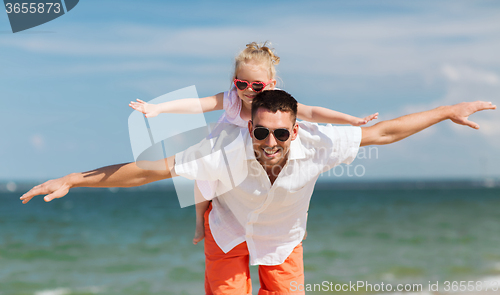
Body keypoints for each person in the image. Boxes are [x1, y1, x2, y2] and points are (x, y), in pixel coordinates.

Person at [21, 90, 495, 295]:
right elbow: (146, 171)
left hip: (283, 238)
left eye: (281, 134)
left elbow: (386, 133)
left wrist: (447, 110)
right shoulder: (225, 153)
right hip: (227, 231)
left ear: (295, 129)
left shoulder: (317, 144)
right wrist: (73, 178)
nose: (271, 143)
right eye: (262, 133)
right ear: (250, 127)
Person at [129, 41, 379, 245]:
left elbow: (312, 112)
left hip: (264, 149)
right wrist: (158, 108)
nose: (248, 90)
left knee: (295, 177)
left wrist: (350, 120)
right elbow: (197, 104)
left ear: (270, 85)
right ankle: (199, 222)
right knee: (202, 182)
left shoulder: (275, 104)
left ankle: (298, 224)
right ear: (235, 81)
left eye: (256, 85)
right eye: (241, 83)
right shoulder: (231, 100)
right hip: (229, 149)